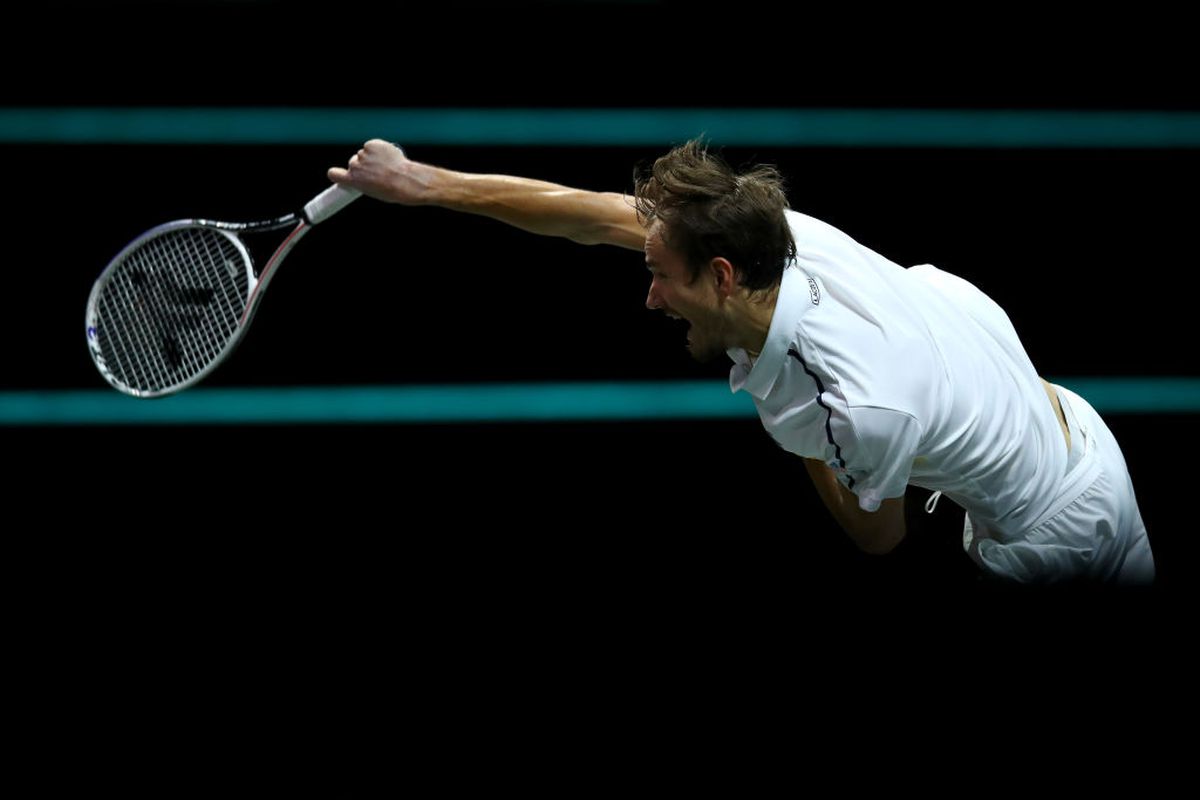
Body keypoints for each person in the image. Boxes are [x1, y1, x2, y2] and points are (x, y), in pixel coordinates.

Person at [328, 138, 1156, 585]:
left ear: (722, 277)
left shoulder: (854, 400)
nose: (648, 297)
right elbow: (594, 217)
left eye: (660, 278)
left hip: (1051, 540)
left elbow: (879, 536)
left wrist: (807, 443)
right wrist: (428, 184)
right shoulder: (784, 236)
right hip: (1082, 440)